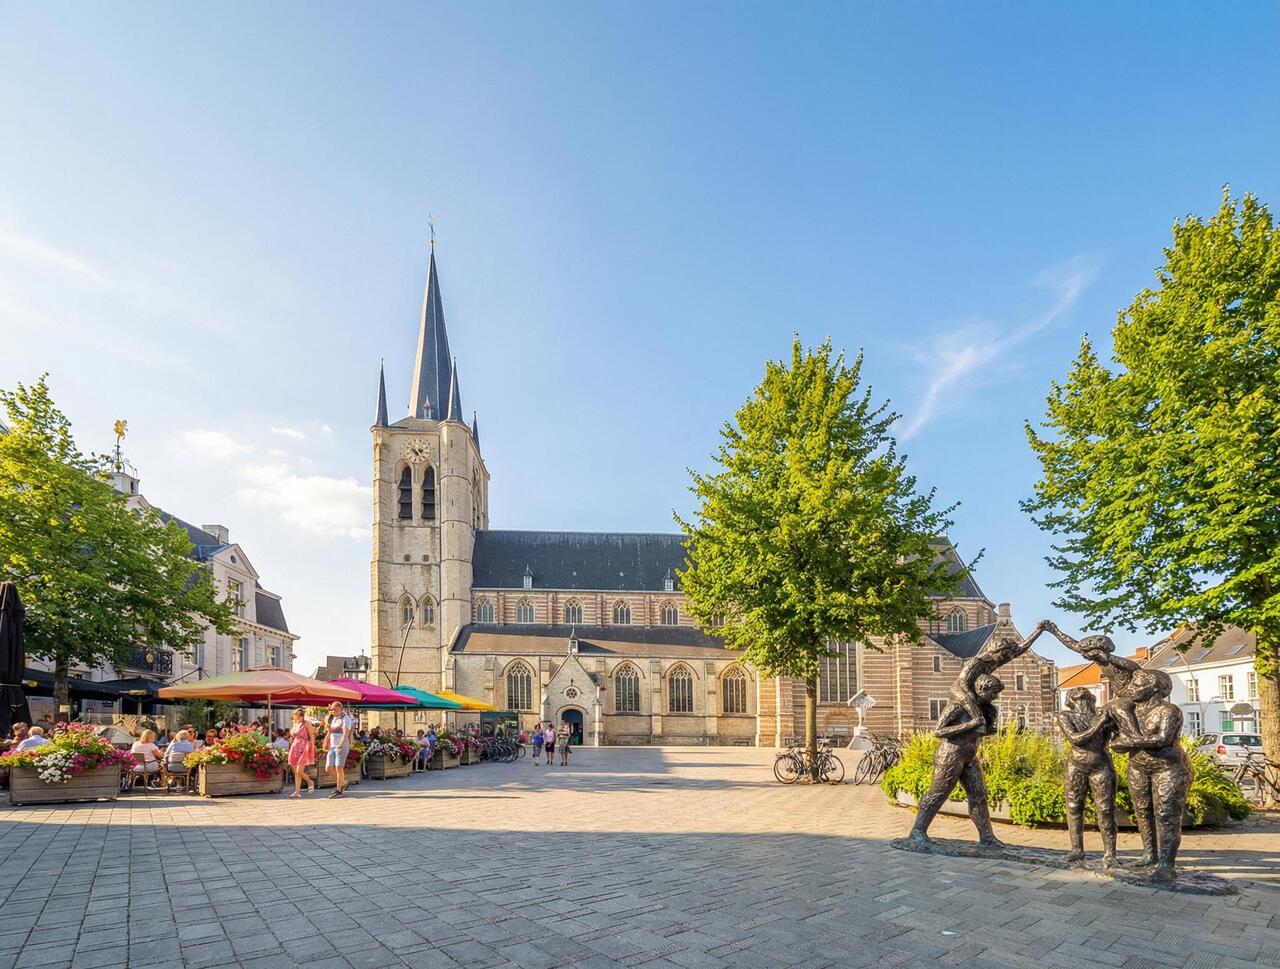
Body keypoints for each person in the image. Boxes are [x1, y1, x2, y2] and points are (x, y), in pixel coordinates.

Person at [1055, 688, 1118, 868]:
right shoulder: (1065, 716)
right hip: (1077, 765)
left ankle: (1110, 853)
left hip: (1101, 764)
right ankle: (1077, 849)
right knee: (1074, 806)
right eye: (1076, 694)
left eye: (1085, 695)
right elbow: (1076, 739)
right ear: (1070, 700)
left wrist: (1112, 723)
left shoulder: (1102, 715)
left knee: (1106, 808)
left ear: (1091, 698)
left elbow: (1119, 735)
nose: (1081, 696)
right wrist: (1100, 724)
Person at [324, 701, 355, 798]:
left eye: (336, 710)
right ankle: (344, 783)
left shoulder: (346, 718)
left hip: (342, 746)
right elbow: (331, 731)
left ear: (341, 709)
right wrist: (326, 739)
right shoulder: (334, 718)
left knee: (338, 767)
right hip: (332, 746)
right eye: (332, 710)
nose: (334, 711)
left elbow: (346, 733)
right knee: (328, 768)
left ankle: (338, 790)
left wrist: (340, 744)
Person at [288, 708, 317, 797]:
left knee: (299, 771)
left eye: (298, 714)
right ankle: (297, 792)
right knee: (295, 771)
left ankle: (310, 781)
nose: (295, 715)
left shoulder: (306, 723)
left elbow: (312, 735)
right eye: (295, 714)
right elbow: (292, 736)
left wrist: (312, 747)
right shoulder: (295, 724)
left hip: (304, 747)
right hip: (294, 747)